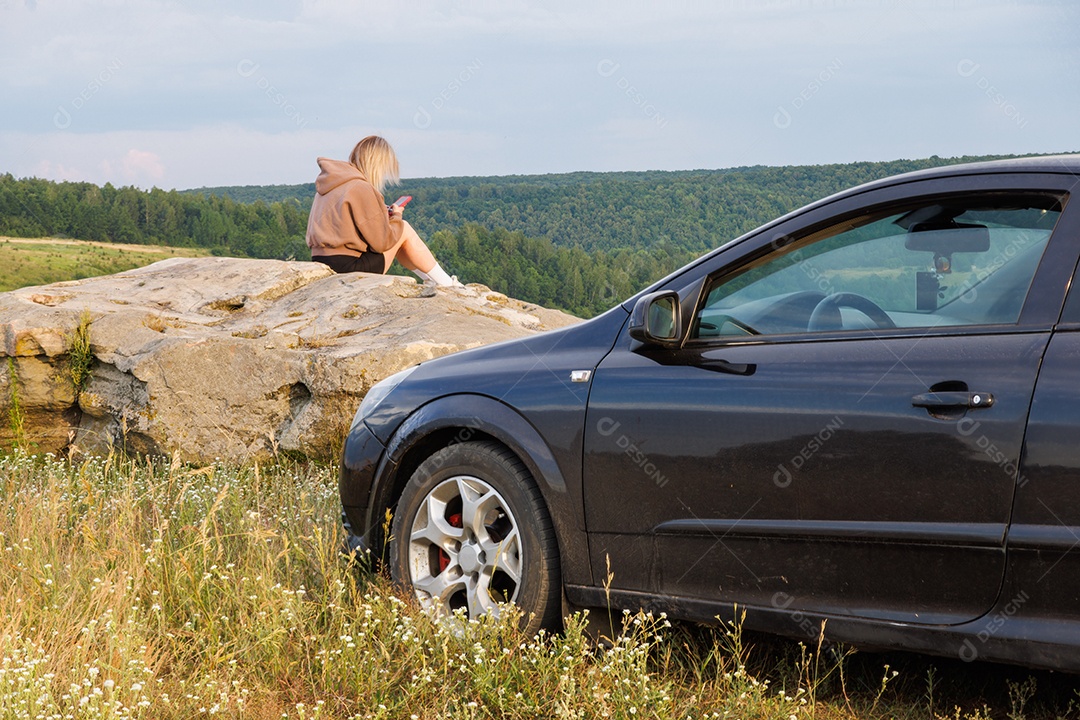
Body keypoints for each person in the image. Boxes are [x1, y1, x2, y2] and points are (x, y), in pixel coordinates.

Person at [306, 135, 460, 287]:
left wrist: (381, 216)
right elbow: (382, 243)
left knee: (402, 239)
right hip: (348, 268)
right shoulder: (361, 187)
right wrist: (396, 217)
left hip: (322, 262)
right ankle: (448, 284)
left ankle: (434, 280)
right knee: (403, 229)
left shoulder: (328, 186)